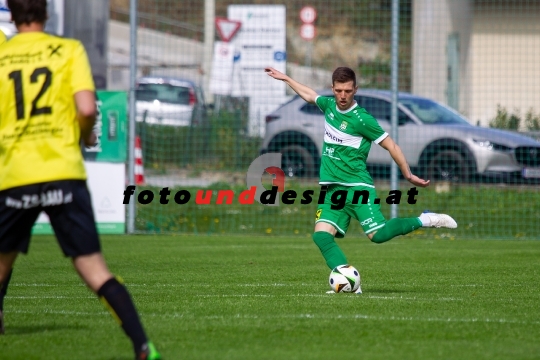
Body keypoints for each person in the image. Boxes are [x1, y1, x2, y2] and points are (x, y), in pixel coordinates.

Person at [0, 1, 162, 359]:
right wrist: (86, 135)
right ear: (46, 13)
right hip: (62, 170)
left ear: (11, 14)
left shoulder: (3, 55)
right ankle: (143, 347)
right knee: (94, 270)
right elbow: (87, 108)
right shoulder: (69, 50)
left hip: (16, 173)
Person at [264, 66, 457, 291]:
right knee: (321, 237)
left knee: (378, 235)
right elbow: (309, 95)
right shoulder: (329, 106)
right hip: (331, 189)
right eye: (338, 91)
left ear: (355, 89)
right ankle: (349, 283)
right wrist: (287, 78)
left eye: (347, 90)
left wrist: (408, 174)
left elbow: (391, 145)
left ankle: (425, 219)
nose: (343, 96)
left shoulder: (362, 119)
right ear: (332, 89)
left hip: (357, 187)